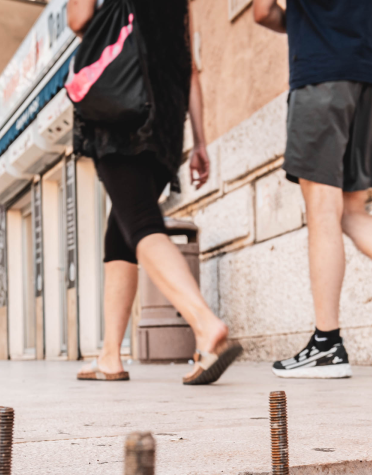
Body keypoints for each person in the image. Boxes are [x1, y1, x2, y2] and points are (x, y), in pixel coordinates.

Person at [254, 0, 372, 378]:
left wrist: (307, 24)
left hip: (320, 75)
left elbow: (263, 12)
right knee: (351, 210)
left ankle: (326, 344)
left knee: (323, 210)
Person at [67, 0, 242, 385]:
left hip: (122, 109)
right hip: (166, 122)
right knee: (121, 232)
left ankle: (205, 324)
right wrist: (199, 142)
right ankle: (110, 356)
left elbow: (79, 19)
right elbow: (190, 67)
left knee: (141, 224)